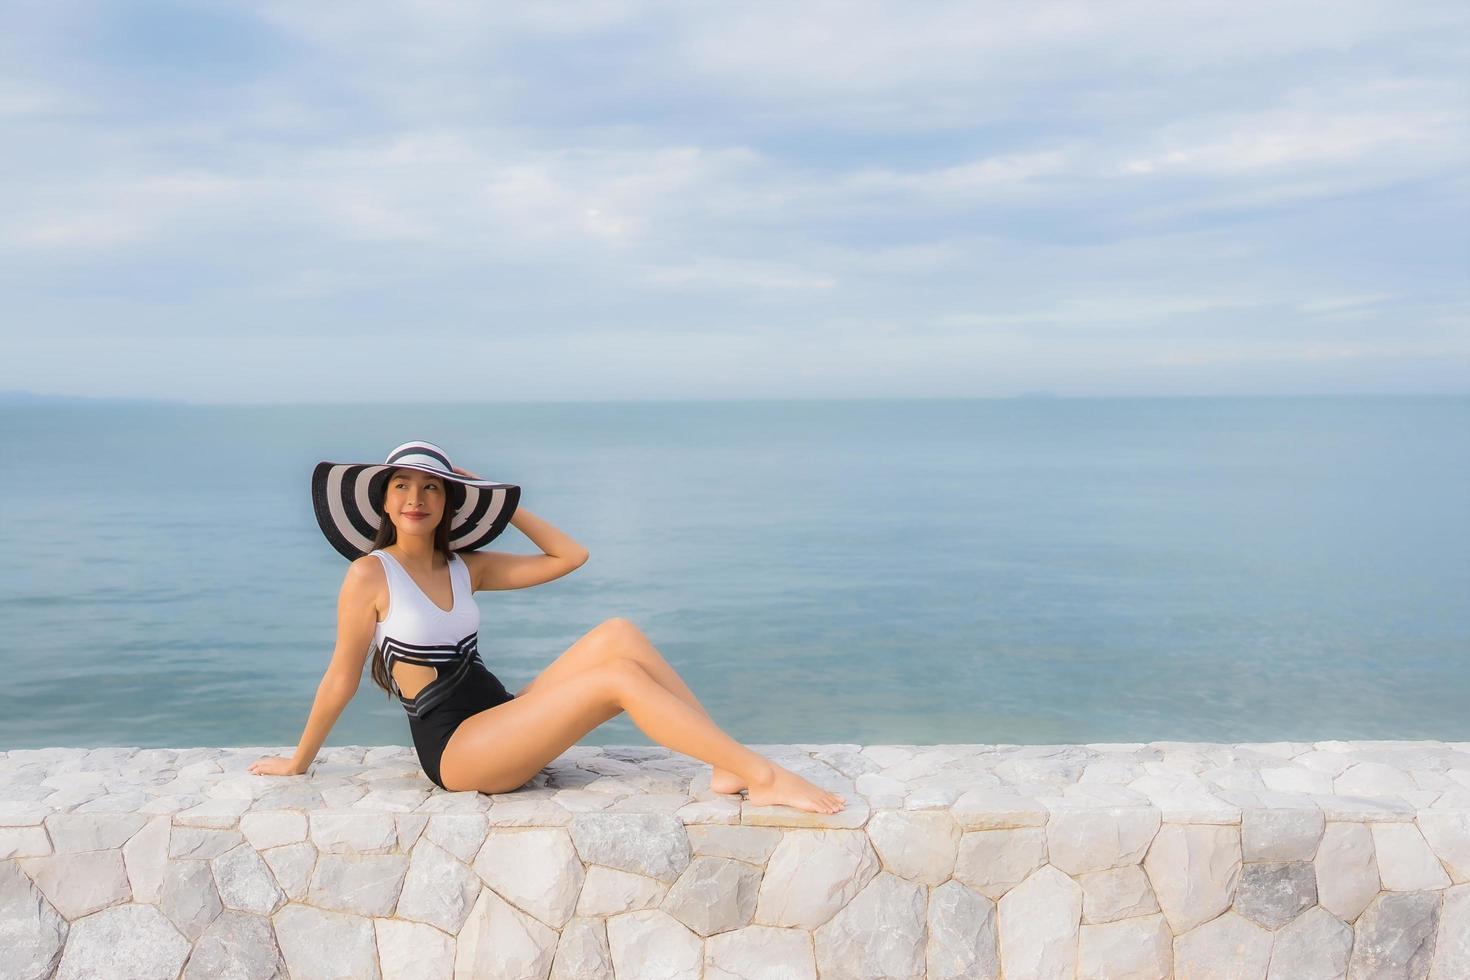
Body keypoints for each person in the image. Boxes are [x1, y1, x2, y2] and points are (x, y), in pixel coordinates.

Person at [248, 441, 846, 814]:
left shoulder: (465, 567)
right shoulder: (369, 575)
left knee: (618, 634)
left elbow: (570, 556)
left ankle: (725, 764)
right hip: (460, 754)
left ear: (449, 502)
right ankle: (762, 775)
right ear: (383, 502)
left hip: (501, 718)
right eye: (402, 486)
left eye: (433, 487)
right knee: (616, 678)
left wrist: (496, 496)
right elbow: (339, 679)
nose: (416, 498)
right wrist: (298, 762)